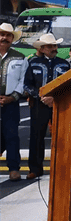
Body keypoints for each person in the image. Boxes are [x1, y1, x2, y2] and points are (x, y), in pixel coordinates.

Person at [23, 33, 71, 179]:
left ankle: (62, 167)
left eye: (55, 45)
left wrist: (54, 98)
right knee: (36, 136)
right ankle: (35, 169)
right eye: (50, 46)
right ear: (42, 48)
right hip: (39, 104)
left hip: (60, 104)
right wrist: (40, 96)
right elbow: (27, 84)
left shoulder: (64, 64)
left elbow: (69, 85)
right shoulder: (33, 63)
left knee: (62, 136)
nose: (53, 48)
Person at [0, 23, 28, 181]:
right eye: (1, 34)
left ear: (12, 38)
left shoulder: (20, 57)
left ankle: (13, 168)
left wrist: (12, 97)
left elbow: (22, 81)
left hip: (11, 102)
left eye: (7, 35)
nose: (4, 38)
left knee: (11, 135)